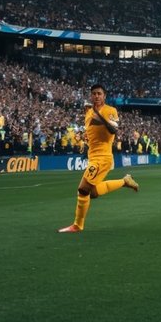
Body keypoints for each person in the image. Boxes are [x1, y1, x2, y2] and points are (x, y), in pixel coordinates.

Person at [58, 84, 140, 233]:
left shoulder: (110, 111)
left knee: (83, 189)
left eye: (99, 94)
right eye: (94, 94)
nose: (96, 96)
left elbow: (114, 129)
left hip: (103, 158)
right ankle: (124, 181)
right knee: (93, 192)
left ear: (104, 96)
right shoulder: (88, 112)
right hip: (93, 157)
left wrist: (98, 114)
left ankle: (77, 225)